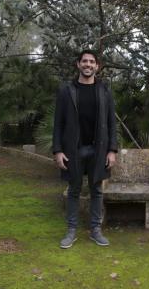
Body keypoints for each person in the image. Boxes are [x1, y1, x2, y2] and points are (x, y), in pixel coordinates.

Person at [52, 50, 117, 248]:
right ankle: (71, 230)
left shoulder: (104, 91)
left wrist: (112, 150)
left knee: (96, 190)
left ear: (97, 66)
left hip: (98, 150)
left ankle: (95, 230)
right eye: (84, 61)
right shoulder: (67, 91)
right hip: (74, 150)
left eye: (92, 62)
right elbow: (58, 124)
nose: (88, 65)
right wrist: (58, 150)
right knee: (74, 190)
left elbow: (111, 122)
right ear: (78, 64)